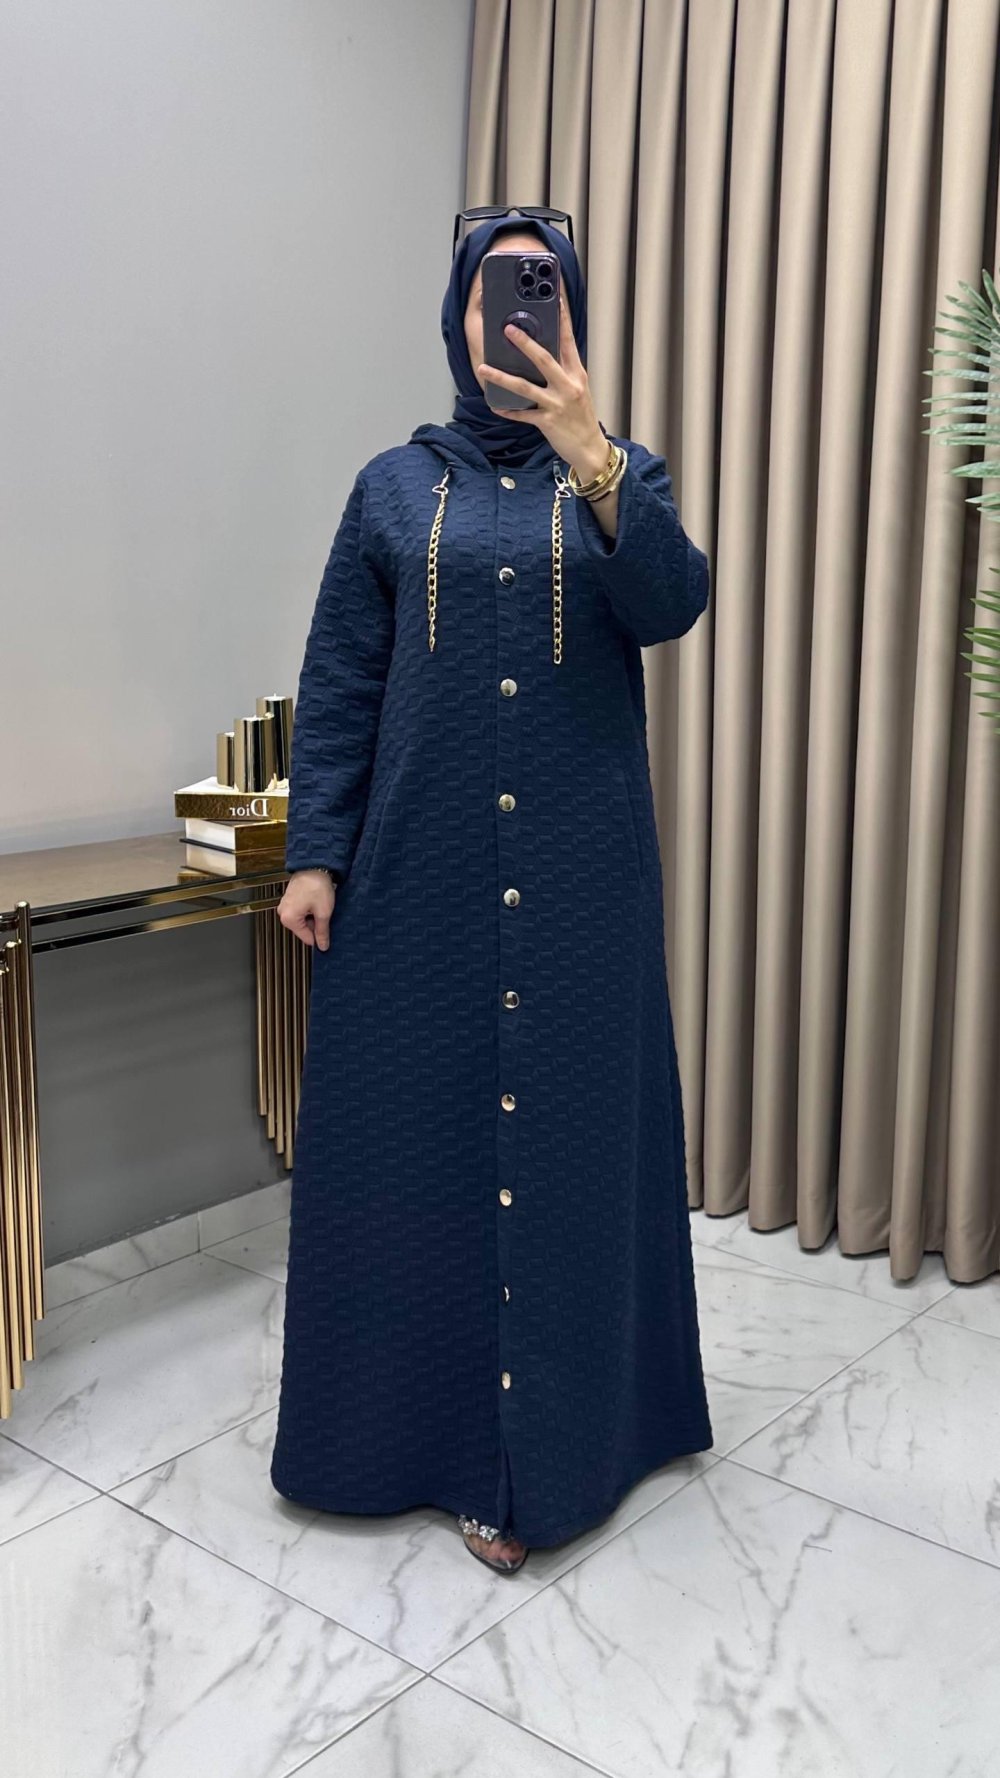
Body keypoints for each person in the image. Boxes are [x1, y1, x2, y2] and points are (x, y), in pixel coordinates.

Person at [270, 208, 714, 1576]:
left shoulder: (620, 470)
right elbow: (344, 673)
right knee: (414, 1155)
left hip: (580, 887)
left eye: (542, 289)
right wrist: (315, 851)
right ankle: (413, 1439)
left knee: (572, 1155)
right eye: (495, 291)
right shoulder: (391, 488)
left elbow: (675, 603)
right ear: (459, 315)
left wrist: (594, 457)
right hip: (417, 881)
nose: (515, 313)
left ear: (568, 315)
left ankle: (570, 1445)